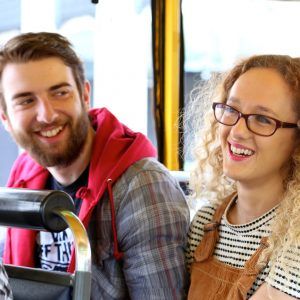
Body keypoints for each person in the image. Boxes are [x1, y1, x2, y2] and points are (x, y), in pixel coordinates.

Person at [0, 32, 190, 299]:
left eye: (60, 92)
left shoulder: (143, 186)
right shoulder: (22, 176)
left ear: (84, 94)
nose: (47, 114)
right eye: (26, 101)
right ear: (5, 117)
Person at [185, 54, 300, 299]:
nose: (236, 131)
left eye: (262, 119)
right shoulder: (205, 224)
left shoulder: (295, 236)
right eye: (231, 110)